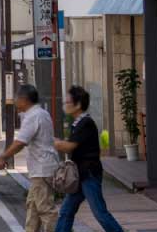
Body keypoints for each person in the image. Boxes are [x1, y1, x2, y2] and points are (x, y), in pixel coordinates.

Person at [55, 86, 126, 232]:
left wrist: (51, 141)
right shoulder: (77, 123)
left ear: (78, 104)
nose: (65, 104)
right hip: (80, 175)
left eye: (68, 101)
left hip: (89, 175)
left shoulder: (85, 123)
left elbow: (69, 146)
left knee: (100, 213)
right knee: (66, 211)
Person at [0, 84, 59, 232]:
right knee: (33, 206)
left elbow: (20, 142)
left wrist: (2, 157)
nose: (15, 101)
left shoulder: (33, 116)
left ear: (24, 99)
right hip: (42, 168)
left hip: (42, 169)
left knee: (46, 209)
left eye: (16, 98)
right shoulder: (41, 113)